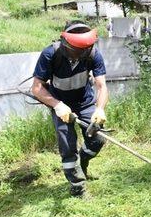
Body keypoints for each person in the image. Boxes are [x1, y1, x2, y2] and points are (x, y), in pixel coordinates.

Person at [31, 22, 109, 197]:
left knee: (97, 139)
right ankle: (78, 187)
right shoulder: (51, 54)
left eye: (85, 51)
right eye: (77, 51)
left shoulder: (93, 54)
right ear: (67, 45)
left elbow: (101, 85)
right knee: (68, 146)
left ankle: (83, 162)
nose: (80, 55)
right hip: (61, 104)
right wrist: (57, 105)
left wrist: (100, 109)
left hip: (85, 102)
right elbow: (36, 88)